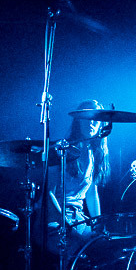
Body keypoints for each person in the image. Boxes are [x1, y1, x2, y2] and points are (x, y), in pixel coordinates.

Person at [43, 99, 111, 257]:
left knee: (108, 246)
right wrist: (66, 225)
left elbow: (92, 193)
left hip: (77, 217)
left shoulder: (94, 154)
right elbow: (48, 194)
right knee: (76, 250)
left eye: (96, 119)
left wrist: (98, 224)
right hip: (54, 218)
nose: (91, 123)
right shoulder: (61, 150)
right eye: (87, 118)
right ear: (78, 120)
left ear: (101, 125)